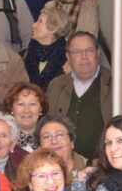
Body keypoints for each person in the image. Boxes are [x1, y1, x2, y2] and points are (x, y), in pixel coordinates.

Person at [46, 31, 112, 160]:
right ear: (68, 57)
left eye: (89, 51)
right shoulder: (56, 85)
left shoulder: (114, 84)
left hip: (102, 167)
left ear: (97, 53)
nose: (84, 57)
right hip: (62, 166)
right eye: (77, 52)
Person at [23, 5, 71, 91]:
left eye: (40, 21)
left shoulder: (68, 60)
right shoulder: (24, 55)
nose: (33, 25)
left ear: (54, 28)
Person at [6, 82, 48, 166]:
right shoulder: (3, 138)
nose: (26, 110)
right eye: (21, 104)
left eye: (32, 104)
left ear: (41, 109)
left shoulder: (49, 138)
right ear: (12, 109)